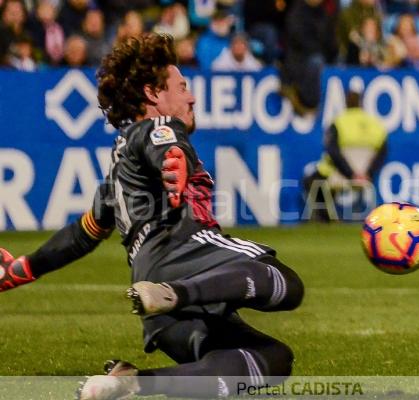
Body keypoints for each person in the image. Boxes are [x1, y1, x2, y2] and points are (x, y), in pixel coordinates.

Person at [0, 33, 304, 400]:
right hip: (184, 255)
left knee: (272, 359)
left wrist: (23, 268)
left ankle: (130, 383)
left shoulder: (116, 178)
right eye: (182, 86)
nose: (191, 96)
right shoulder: (156, 128)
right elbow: (165, 143)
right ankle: (176, 293)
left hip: (156, 308)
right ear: (153, 94)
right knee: (285, 282)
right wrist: (175, 159)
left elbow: (80, 236)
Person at [302, 87, 388, 222]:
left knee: (311, 181)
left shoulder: (339, 122)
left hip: (339, 175)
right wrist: (367, 173)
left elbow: (333, 152)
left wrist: (351, 174)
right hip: (365, 177)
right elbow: (382, 153)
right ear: (361, 103)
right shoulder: (376, 125)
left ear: (346, 103)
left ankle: (325, 219)